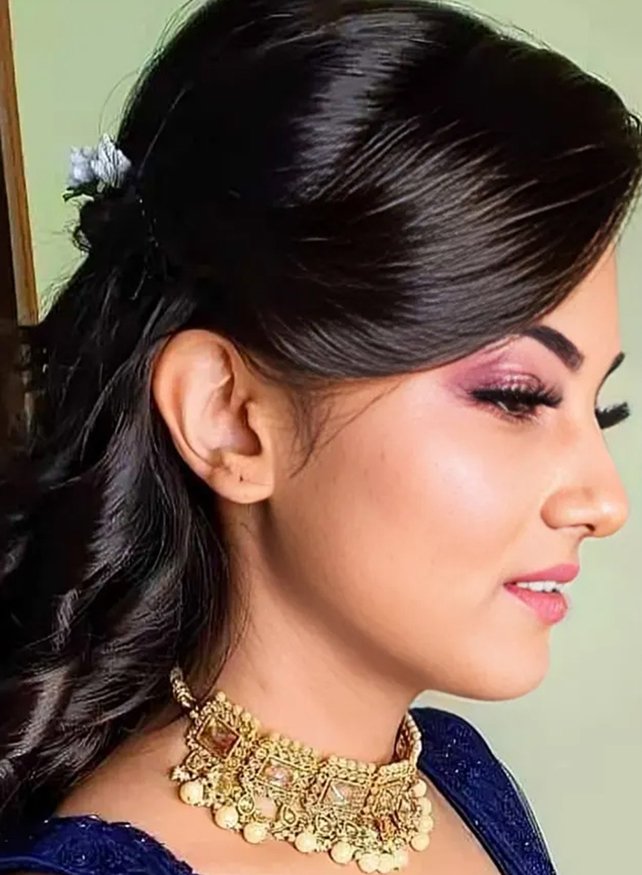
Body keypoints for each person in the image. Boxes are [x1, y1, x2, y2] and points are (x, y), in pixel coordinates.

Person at [0, 0, 640, 872]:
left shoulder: (459, 776)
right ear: (229, 417)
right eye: (514, 397)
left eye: (600, 409)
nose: (605, 502)